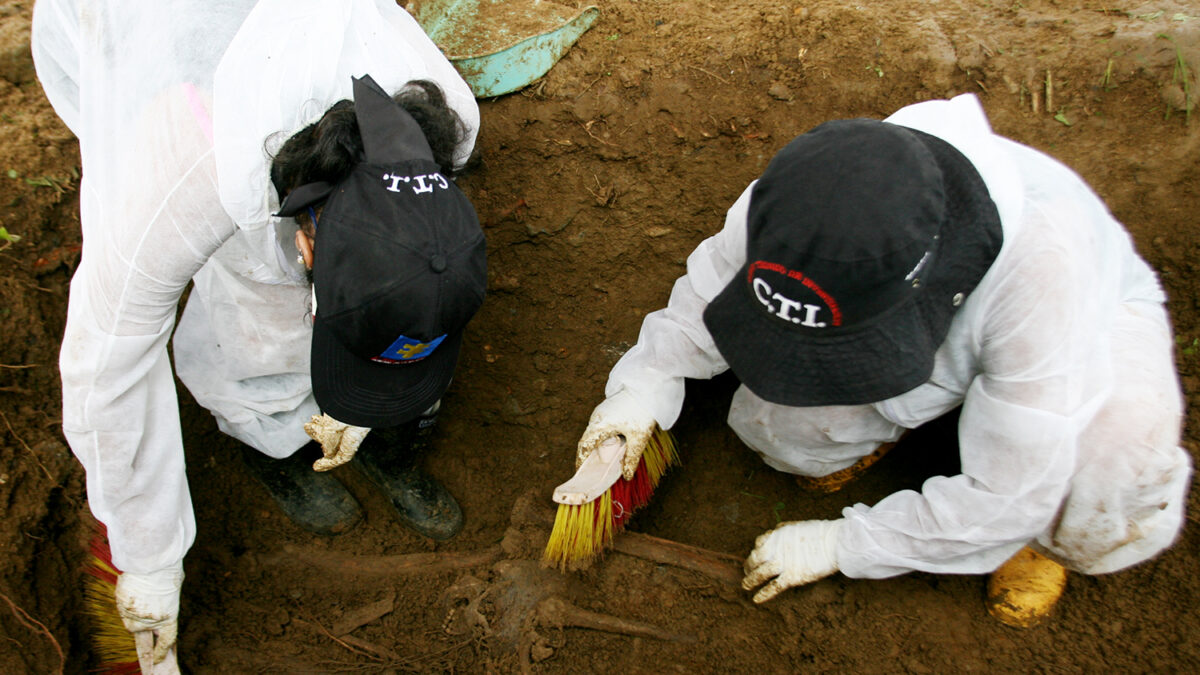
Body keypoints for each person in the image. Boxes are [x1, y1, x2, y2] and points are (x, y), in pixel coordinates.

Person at [574, 93, 1191, 628]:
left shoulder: (1048, 279)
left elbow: (1013, 493)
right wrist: (642, 388)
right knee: (782, 435)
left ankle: (1049, 546)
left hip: (1081, 326)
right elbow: (709, 290)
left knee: (1113, 461)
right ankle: (895, 433)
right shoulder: (802, 196)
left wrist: (848, 543)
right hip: (897, 311)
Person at [32, 0, 485, 669]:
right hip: (127, 35)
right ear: (306, 239)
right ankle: (268, 431)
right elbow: (107, 364)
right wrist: (147, 559)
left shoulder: (450, 120)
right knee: (251, 292)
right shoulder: (181, 174)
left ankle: (385, 436)